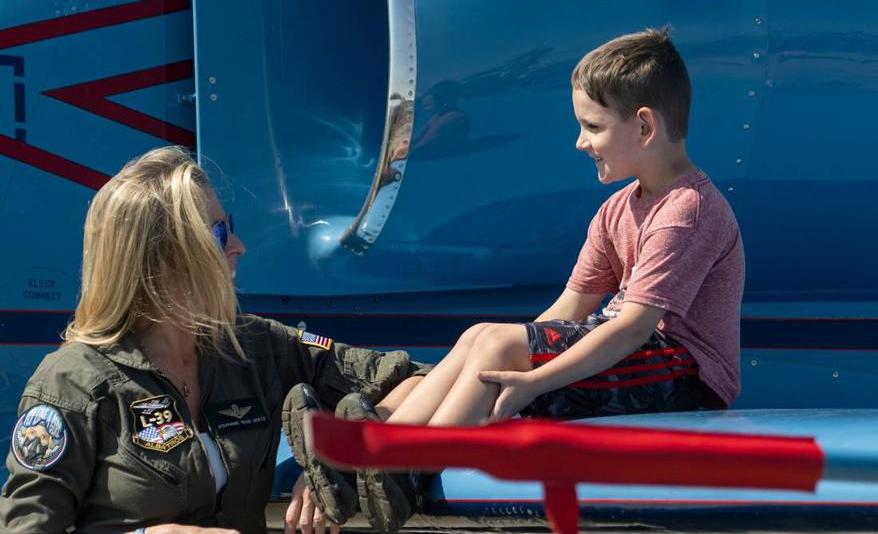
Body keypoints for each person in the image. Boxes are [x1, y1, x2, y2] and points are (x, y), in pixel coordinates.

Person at [342, 27, 746, 533]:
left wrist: (533, 378)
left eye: (592, 127)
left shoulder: (686, 210)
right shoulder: (617, 209)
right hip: (629, 358)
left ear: (644, 126)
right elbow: (567, 311)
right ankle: (375, 444)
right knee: (482, 336)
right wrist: (506, 352)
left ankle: (407, 471)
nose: (580, 142)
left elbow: (634, 329)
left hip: (682, 376)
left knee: (500, 345)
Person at [0, 146, 429, 534]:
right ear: (161, 256)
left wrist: (343, 455)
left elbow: (414, 379)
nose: (239, 246)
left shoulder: (253, 347)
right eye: (218, 234)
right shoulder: (72, 384)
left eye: (230, 227)